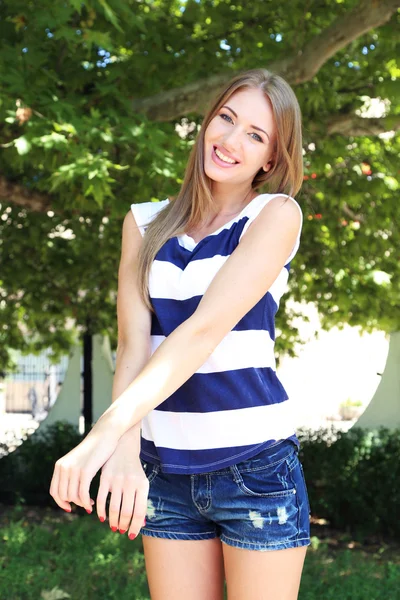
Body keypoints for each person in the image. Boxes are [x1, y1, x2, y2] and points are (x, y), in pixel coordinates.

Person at [50, 67, 311, 599]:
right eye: (227, 118)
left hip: (256, 468)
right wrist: (123, 450)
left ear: (272, 159)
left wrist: (100, 434)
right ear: (208, 119)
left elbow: (201, 332)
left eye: (256, 136)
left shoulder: (274, 214)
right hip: (165, 469)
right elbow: (133, 345)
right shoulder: (143, 223)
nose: (231, 140)